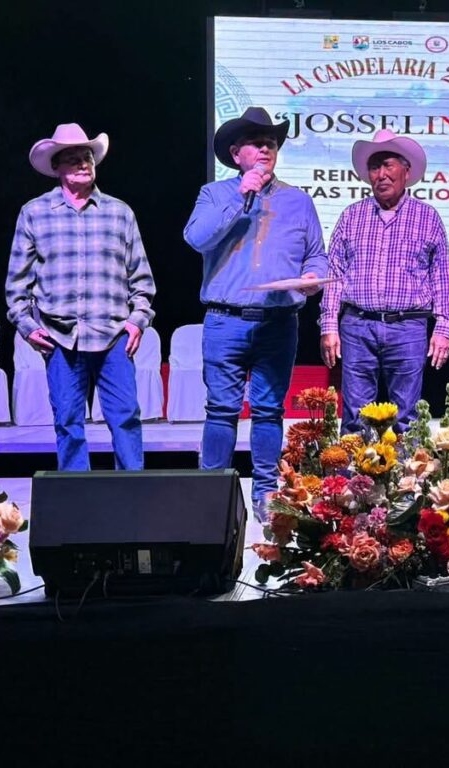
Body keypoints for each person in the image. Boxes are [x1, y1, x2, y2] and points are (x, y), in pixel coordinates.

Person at [184, 106, 327, 521]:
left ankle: (266, 493)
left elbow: (316, 254)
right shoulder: (214, 194)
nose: (266, 149)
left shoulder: (298, 201)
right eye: (256, 143)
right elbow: (196, 238)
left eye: (271, 144)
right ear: (235, 153)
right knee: (221, 409)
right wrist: (241, 195)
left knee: (268, 410)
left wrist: (313, 276)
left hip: (278, 322)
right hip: (225, 320)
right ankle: (212, 494)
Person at [6, 123, 156, 471]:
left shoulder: (119, 212)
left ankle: (132, 492)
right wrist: (27, 326)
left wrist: (137, 321)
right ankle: (76, 495)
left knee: (126, 417)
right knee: (68, 421)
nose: (83, 163)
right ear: (56, 167)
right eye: (72, 158)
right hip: (59, 336)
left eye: (87, 157)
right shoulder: (35, 213)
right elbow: (17, 283)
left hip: (113, 333)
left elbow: (141, 277)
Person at [319, 129, 449, 434]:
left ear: (406, 170)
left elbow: (441, 279)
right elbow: (334, 274)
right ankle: (354, 467)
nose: (381, 174)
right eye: (374, 167)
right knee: (355, 418)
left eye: (388, 165)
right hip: (357, 326)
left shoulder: (427, 217)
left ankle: (405, 468)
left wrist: (444, 328)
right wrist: (329, 325)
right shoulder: (352, 216)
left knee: (406, 419)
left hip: (408, 327)